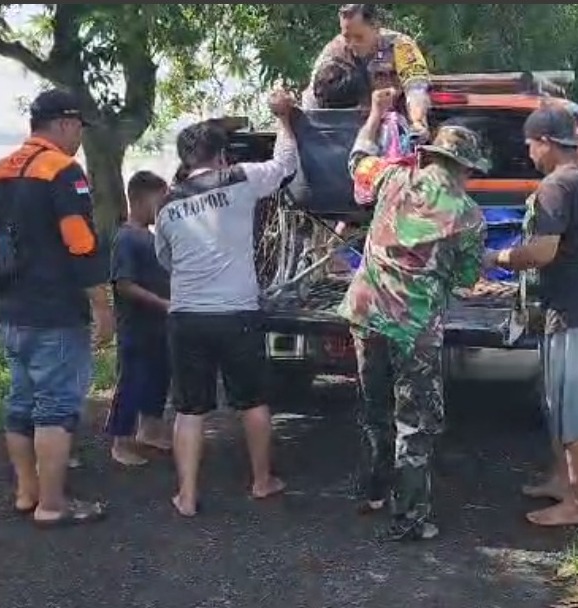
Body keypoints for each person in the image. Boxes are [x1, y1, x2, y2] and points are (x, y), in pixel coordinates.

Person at [340, 87, 490, 542]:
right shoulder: (468, 216)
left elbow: (356, 160)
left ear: (431, 156)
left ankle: (371, 493)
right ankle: (409, 519)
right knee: (415, 422)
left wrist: (376, 114)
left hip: (365, 314)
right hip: (414, 329)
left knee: (373, 410)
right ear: (464, 168)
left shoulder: (391, 179)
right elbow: (466, 280)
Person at [155, 89, 299, 518]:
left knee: (189, 409)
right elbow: (285, 165)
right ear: (221, 155)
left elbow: (165, 259)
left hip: (185, 317)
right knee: (252, 401)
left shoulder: (167, 204)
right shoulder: (239, 180)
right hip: (236, 313)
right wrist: (284, 120)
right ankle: (261, 480)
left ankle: (186, 494)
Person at [0, 88, 114, 527]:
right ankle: (53, 505)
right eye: (77, 128)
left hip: (11, 309)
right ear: (64, 123)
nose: (78, 138)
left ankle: (27, 492)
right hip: (55, 311)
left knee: (21, 402)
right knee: (55, 407)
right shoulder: (63, 170)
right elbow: (81, 242)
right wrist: (102, 306)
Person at [491, 104, 578, 528]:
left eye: (529, 145)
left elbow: (543, 251)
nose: (528, 154)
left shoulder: (555, 186)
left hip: (574, 310)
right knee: (558, 402)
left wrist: (499, 257)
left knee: (575, 410)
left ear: (545, 142)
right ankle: (562, 481)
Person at [105, 171, 173, 466]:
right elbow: (123, 283)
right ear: (142, 200)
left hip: (160, 327)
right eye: (162, 201)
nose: (166, 208)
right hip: (136, 326)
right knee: (132, 382)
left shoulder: (151, 237)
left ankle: (150, 430)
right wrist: (161, 303)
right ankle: (121, 442)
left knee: (159, 378)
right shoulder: (127, 238)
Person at [303, 4, 432, 138]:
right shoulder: (334, 50)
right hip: (346, 128)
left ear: (376, 28)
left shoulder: (400, 46)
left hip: (393, 126)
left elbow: (416, 87)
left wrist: (418, 121)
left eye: (359, 37)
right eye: (347, 37)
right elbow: (314, 92)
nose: (351, 44)